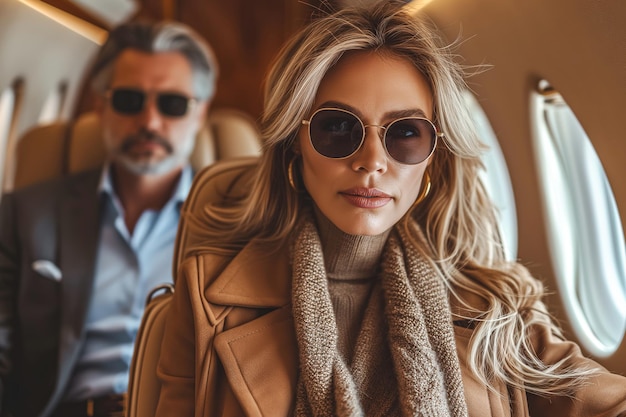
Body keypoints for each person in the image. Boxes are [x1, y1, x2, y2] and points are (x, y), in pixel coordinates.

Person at [154, 2, 626, 416]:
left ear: (433, 156)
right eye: (338, 128)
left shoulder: (498, 305)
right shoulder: (206, 299)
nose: (372, 162)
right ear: (295, 143)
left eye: (404, 134)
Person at [0, 19, 218, 417]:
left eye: (171, 104)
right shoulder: (25, 214)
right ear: (100, 105)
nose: (150, 122)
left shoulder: (239, 222)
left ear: (200, 113)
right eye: (130, 101)